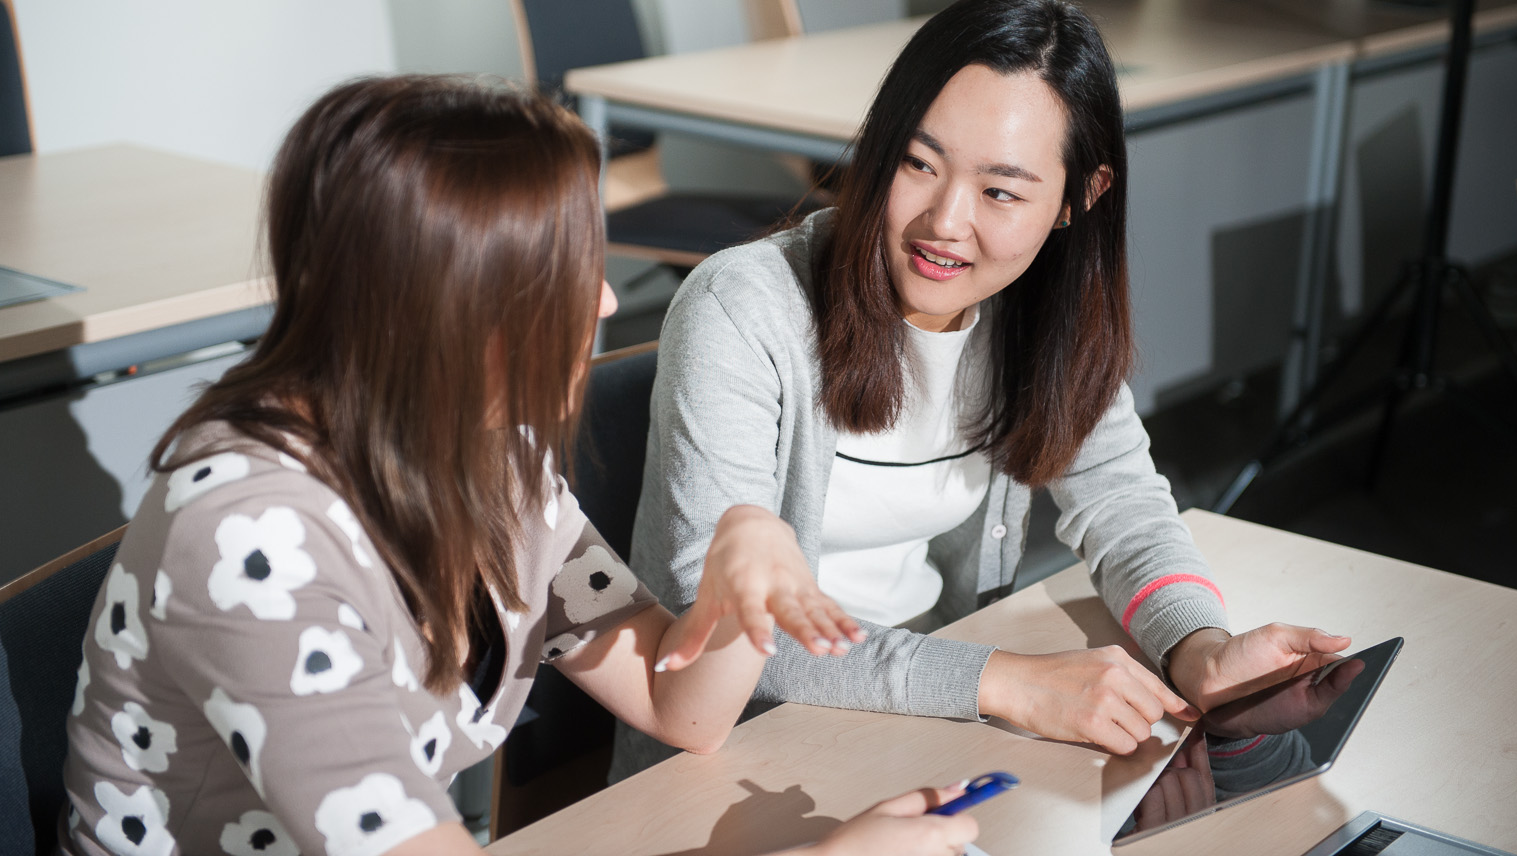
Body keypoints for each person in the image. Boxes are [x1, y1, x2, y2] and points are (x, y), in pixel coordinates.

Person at [59, 76, 978, 856]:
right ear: (459, 310)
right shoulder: (248, 535)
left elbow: (677, 707)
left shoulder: (489, 454)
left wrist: (746, 579)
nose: (610, 298)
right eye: (572, 273)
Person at [615, 0, 1349, 779]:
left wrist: (1197, 648)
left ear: (1080, 197)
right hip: (735, 748)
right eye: (917, 163)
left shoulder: (1041, 315)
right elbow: (713, 614)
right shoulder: (745, 307)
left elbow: (1120, 502)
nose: (944, 222)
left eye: (1000, 191)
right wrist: (1002, 681)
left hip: (929, 723)